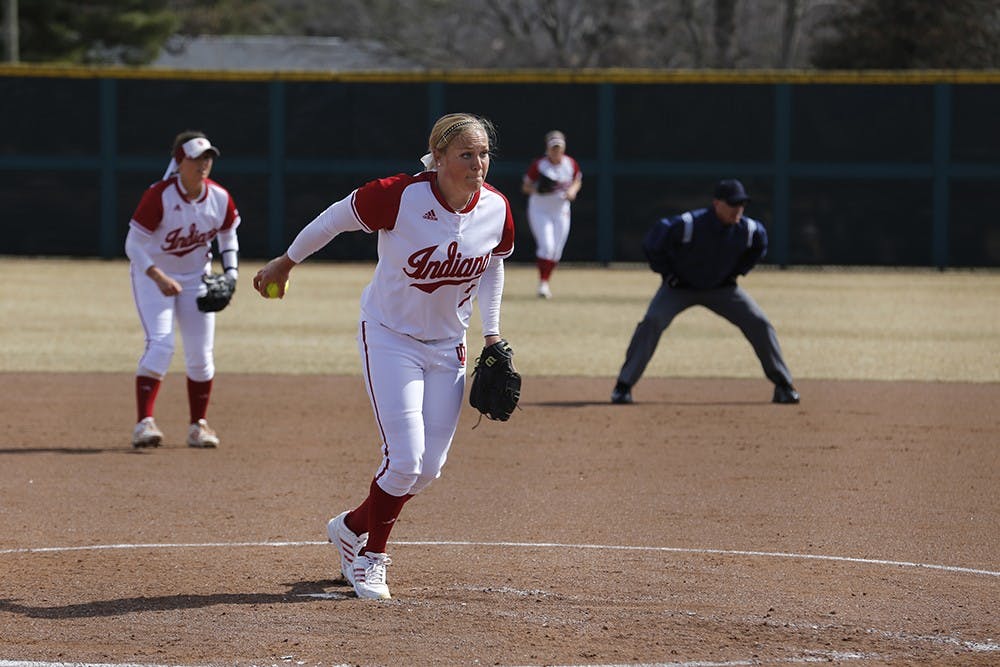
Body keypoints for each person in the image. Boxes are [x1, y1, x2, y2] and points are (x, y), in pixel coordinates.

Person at [253, 113, 515, 600]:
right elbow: (334, 218)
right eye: (465, 154)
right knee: (404, 460)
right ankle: (370, 558)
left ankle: (350, 527)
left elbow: (494, 266)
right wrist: (286, 262)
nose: (478, 163)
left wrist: (493, 334)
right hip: (391, 338)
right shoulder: (399, 196)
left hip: (449, 346)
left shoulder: (496, 207)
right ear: (437, 157)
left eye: (483, 154)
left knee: (428, 469)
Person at [610, 179, 799, 405]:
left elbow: (759, 247)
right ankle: (623, 386)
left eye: (742, 204)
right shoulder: (689, 224)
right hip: (679, 289)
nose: (738, 209)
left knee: (759, 323)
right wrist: (668, 274)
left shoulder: (748, 229)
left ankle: (783, 385)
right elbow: (653, 243)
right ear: (717, 204)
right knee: (652, 322)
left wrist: (736, 272)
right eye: (733, 204)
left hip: (722, 289)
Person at [125, 130, 241, 449]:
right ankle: (143, 423)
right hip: (153, 275)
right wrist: (158, 276)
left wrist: (231, 274)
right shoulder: (160, 196)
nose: (203, 164)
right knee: (161, 346)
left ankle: (198, 426)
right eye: (196, 158)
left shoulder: (219, 198)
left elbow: (228, 236)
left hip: (195, 278)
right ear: (179, 162)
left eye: (208, 158)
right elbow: (133, 245)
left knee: (201, 356)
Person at [521, 130, 582, 298]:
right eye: (553, 148)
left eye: (559, 148)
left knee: (556, 251)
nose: (556, 151)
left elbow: (577, 180)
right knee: (546, 246)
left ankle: (546, 281)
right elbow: (525, 187)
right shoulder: (540, 165)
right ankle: (543, 284)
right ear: (548, 149)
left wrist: (573, 191)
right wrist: (538, 189)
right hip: (540, 210)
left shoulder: (570, 164)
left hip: (561, 210)